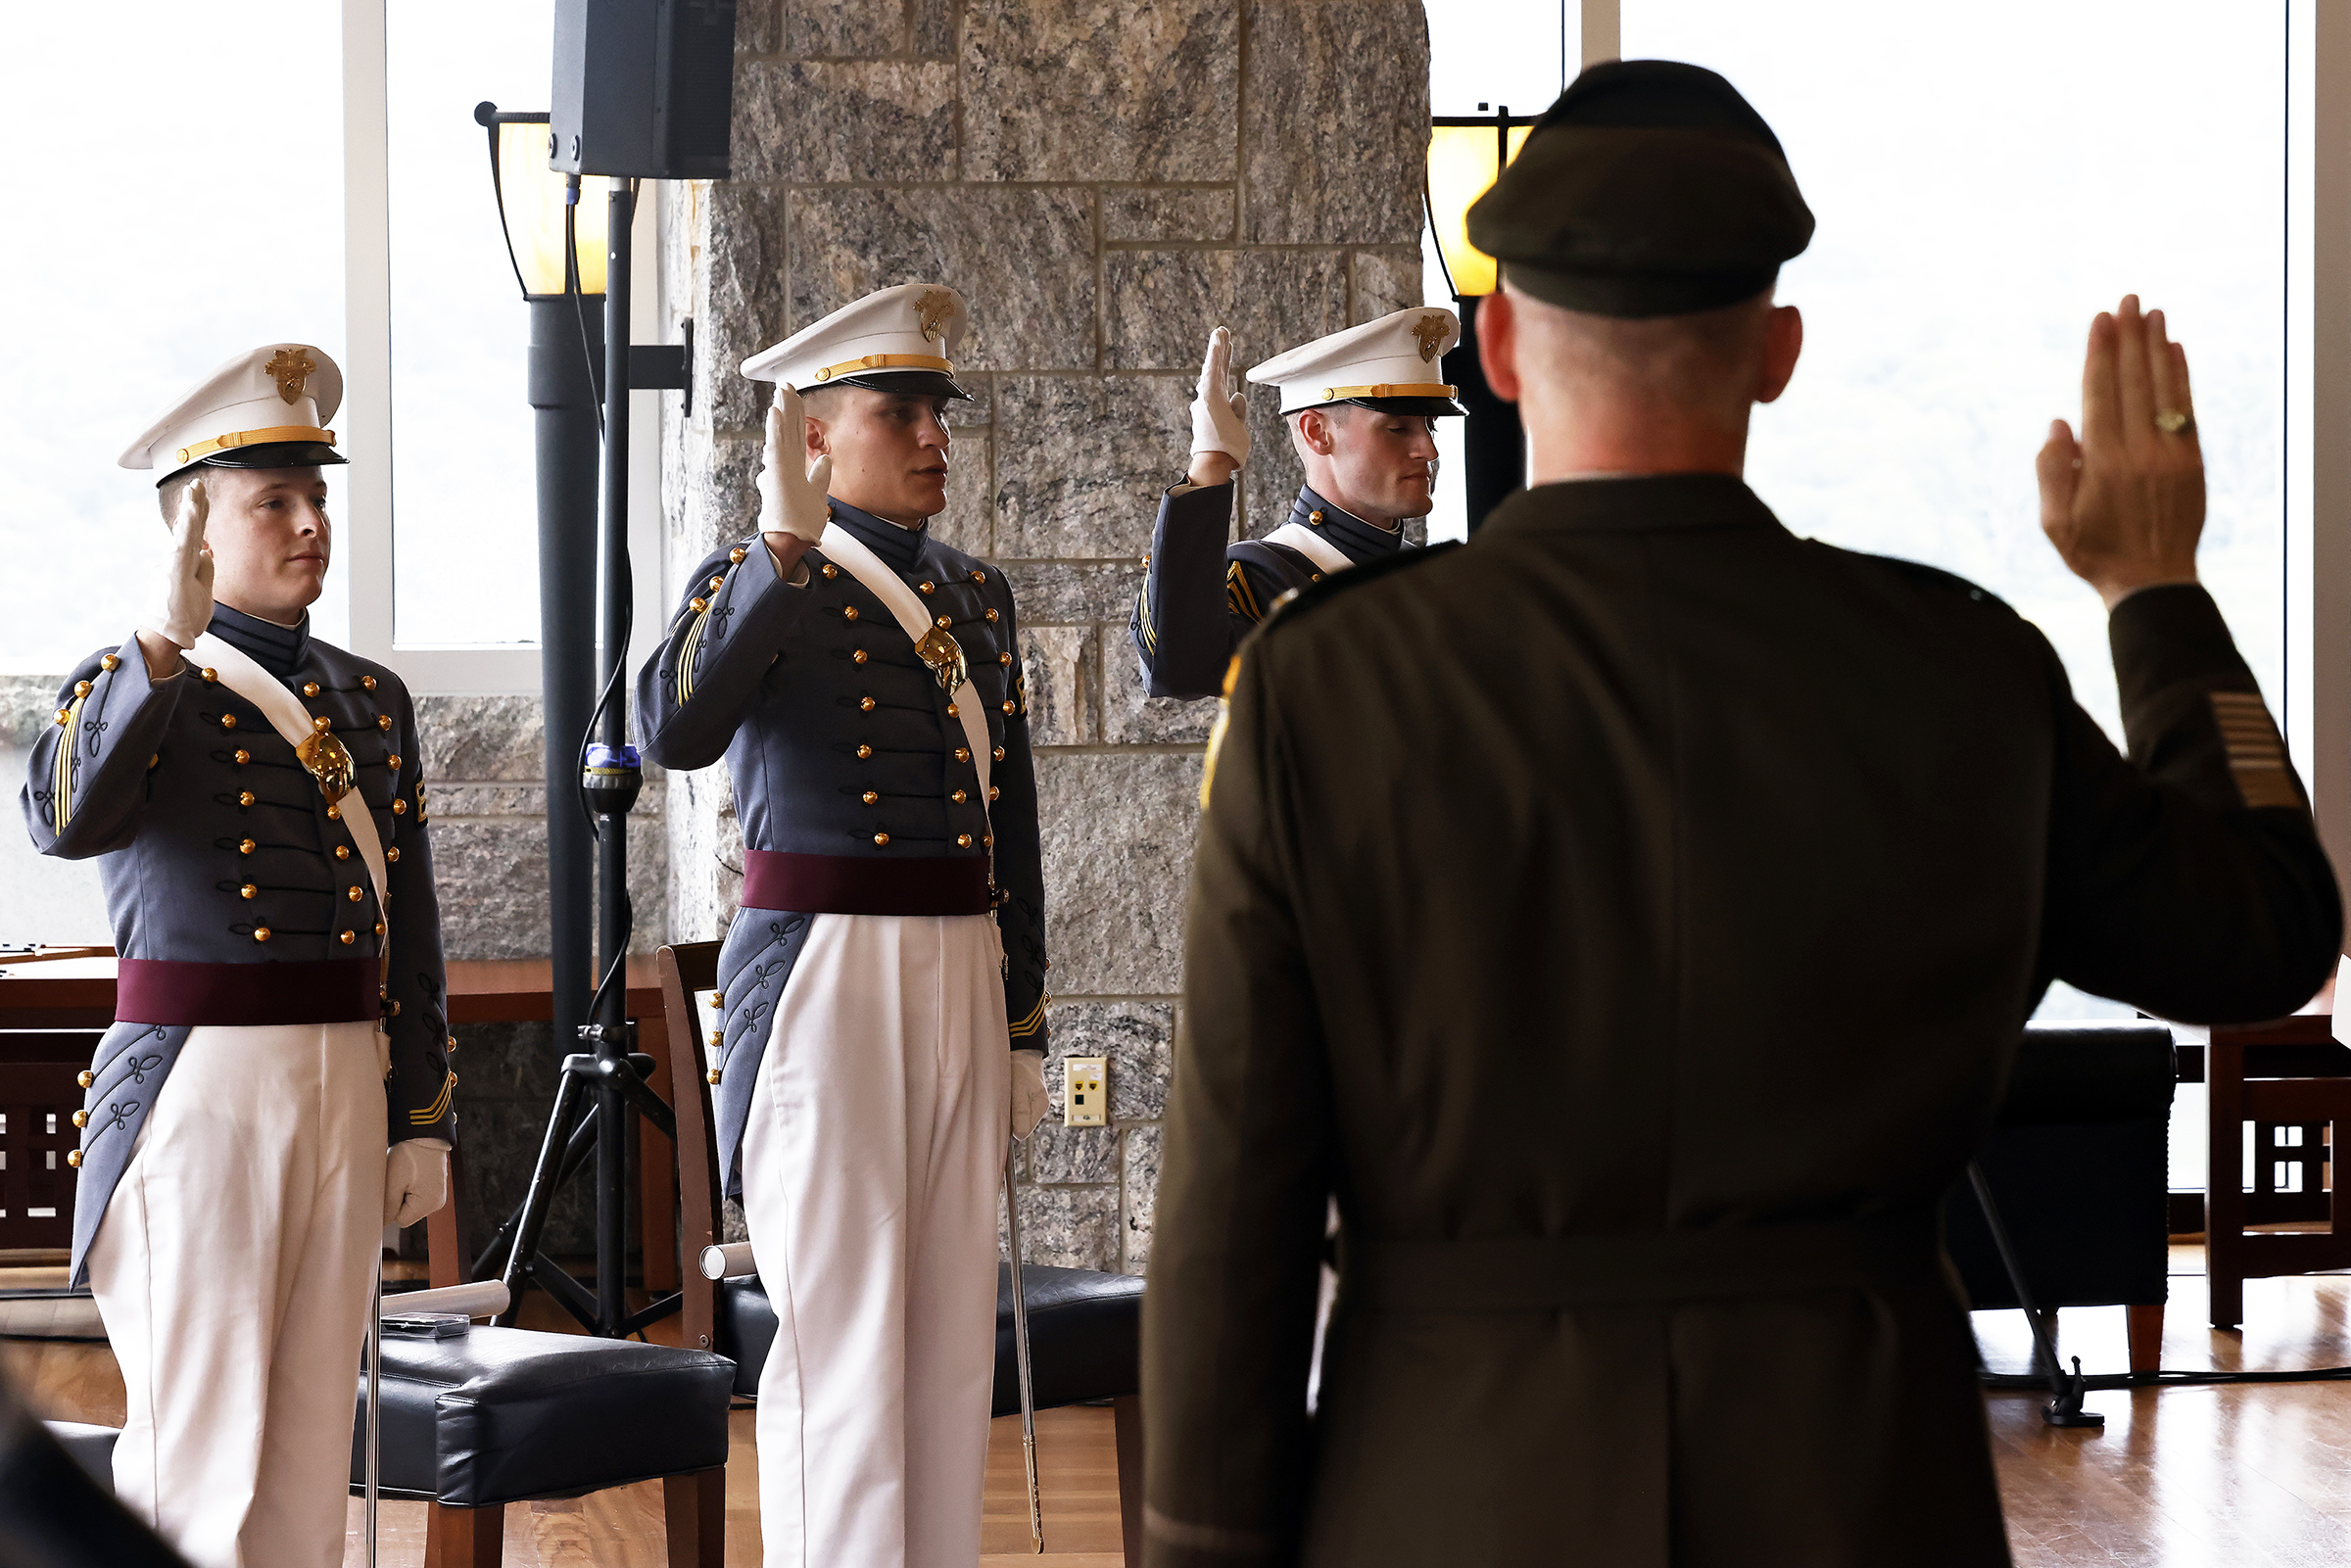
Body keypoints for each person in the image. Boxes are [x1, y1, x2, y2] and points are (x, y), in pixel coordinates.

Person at [1141, 60, 2342, 1568]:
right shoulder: (1960, 672)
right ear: (1777, 351)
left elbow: (1232, 1218)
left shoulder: (1328, 693)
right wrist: (2155, 590)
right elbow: (2267, 936)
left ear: (1500, 349)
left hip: (1452, 1493)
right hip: (1860, 1488)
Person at [635, 282, 1054, 1568]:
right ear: (814, 431)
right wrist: (773, 550)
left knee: (943, 1353)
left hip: (960, 973)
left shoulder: (977, 597)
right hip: (827, 978)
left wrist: (1025, 1017)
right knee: (849, 1352)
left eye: (939, 408)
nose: (934, 432)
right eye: (900, 409)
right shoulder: (768, 581)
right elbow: (668, 728)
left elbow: (1015, 824)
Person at [23, 344, 456, 1568]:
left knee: (313, 1464)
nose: (313, 520)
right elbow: (61, 812)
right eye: (275, 498)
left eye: (317, 492)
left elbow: (409, 925)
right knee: (203, 1465)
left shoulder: (372, 698)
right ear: (195, 528)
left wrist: (419, 1107)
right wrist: (161, 646)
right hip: (198, 1096)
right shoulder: (131, 683)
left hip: (342, 1085)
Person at [1130, 309, 1461, 699]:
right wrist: (1211, 464)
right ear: (1317, 432)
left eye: (1430, 426)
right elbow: (1182, 666)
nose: (1428, 449)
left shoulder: (1444, 579)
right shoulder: (1264, 578)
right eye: (1397, 429)